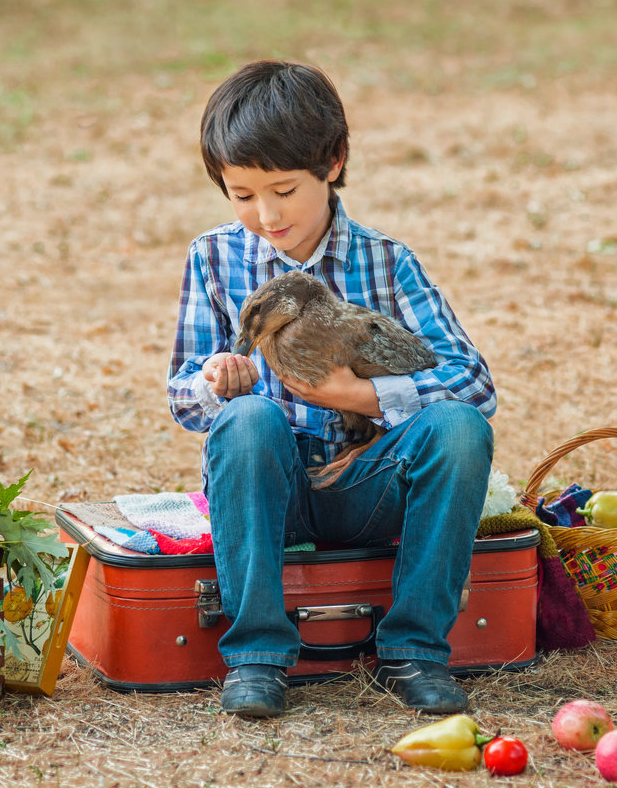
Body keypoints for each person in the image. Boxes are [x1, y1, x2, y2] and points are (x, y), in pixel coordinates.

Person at [168, 60, 496, 718]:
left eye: (284, 190)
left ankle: (414, 649)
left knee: (461, 430)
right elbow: (182, 396)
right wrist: (213, 382)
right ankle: (257, 656)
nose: (265, 213)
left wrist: (358, 397)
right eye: (241, 194)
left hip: (368, 488)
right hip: (271, 492)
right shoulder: (213, 257)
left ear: (333, 161)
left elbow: (473, 383)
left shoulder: (386, 262)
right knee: (247, 421)